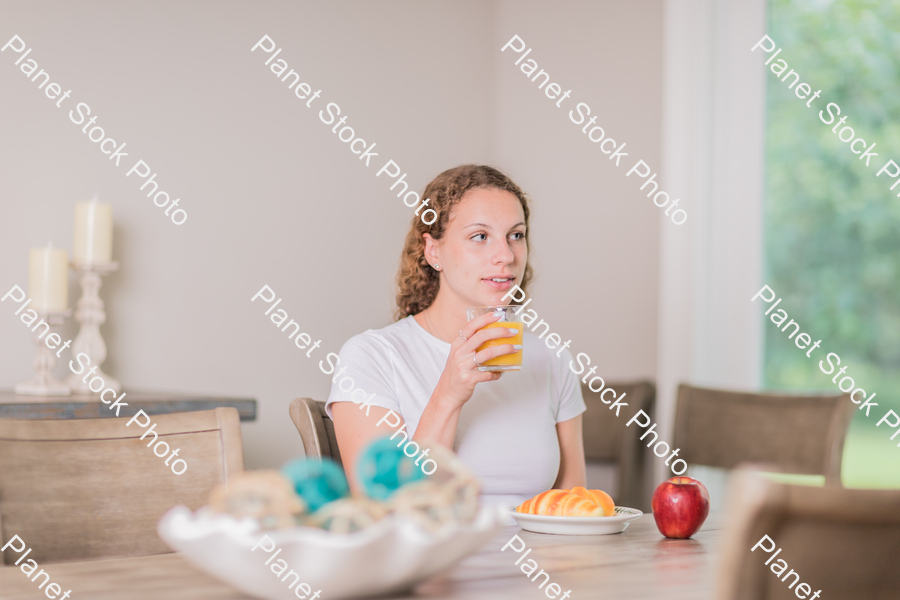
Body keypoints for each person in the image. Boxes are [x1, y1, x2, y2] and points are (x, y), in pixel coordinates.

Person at [326, 165, 586, 507]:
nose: (506, 256)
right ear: (434, 252)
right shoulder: (371, 357)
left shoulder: (552, 359)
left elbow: (573, 504)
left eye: (516, 235)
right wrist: (448, 396)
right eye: (480, 236)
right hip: (434, 560)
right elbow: (382, 510)